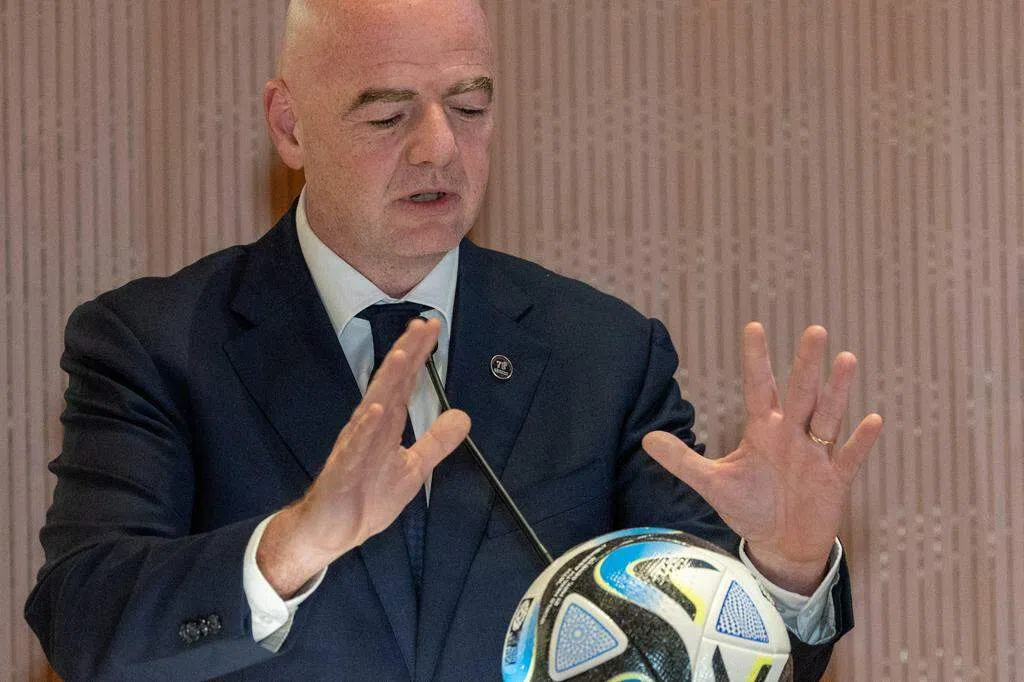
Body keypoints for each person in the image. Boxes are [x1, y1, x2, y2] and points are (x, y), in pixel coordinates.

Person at [25, 0, 883, 680]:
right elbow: (84, 622)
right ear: (289, 126)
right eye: (387, 116)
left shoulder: (603, 355)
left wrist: (787, 567)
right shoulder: (154, 343)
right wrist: (292, 546)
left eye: (470, 107)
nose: (439, 148)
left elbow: (706, 650)